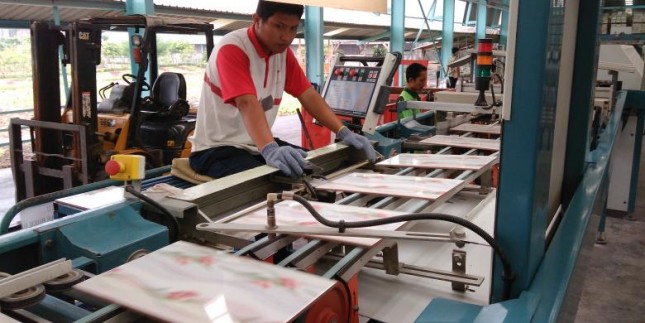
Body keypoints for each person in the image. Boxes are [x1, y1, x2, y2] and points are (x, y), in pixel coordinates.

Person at [190, 0, 376, 179]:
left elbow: (308, 94)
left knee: (318, 168)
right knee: (279, 183)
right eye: (279, 26)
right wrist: (270, 149)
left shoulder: (282, 54)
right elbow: (247, 103)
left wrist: (343, 131)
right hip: (216, 149)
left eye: (293, 28)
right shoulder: (233, 48)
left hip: (255, 146)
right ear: (256, 20)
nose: (286, 37)